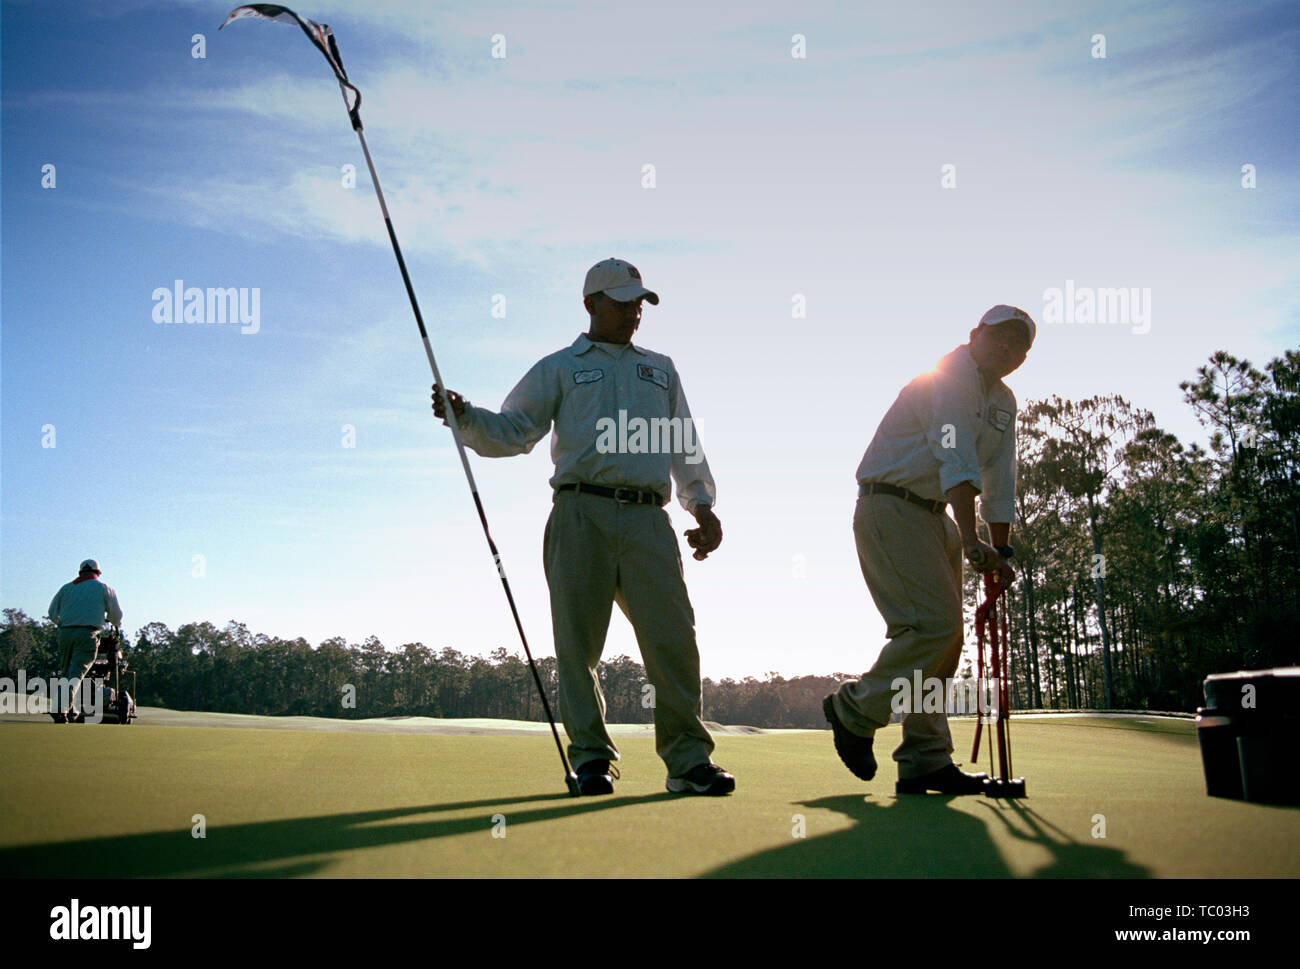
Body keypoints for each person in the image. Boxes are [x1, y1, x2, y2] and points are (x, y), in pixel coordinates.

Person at [431, 258, 733, 796]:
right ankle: (592, 760)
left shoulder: (661, 369)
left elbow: (684, 444)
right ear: (591, 303)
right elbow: (514, 431)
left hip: (648, 518)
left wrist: (702, 506)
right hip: (578, 512)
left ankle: (688, 763)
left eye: (639, 302)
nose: (633, 312)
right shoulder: (559, 367)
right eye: (621, 302)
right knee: (578, 648)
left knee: (674, 644)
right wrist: (467, 415)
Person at [825, 305, 1034, 794]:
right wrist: (969, 536)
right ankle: (853, 708)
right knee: (931, 628)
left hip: (934, 515)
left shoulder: (1004, 400)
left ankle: (924, 759)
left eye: (1020, 346)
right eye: (1000, 337)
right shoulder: (949, 376)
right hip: (891, 505)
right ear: (975, 334)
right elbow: (955, 458)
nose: (1008, 350)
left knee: (946, 641)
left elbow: (1000, 480)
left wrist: (999, 554)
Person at [47, 558, 123, 723]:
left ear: (80, 572)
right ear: (98, 572)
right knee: (76, 673)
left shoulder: (66, 588)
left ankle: (72, 710)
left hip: (65, 633)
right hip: (87, 633)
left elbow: (52, 613)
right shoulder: (104, 588)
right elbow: (116, 615)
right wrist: (112, 621)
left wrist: (64, 624)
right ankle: (59, 708)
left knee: (68, 673)